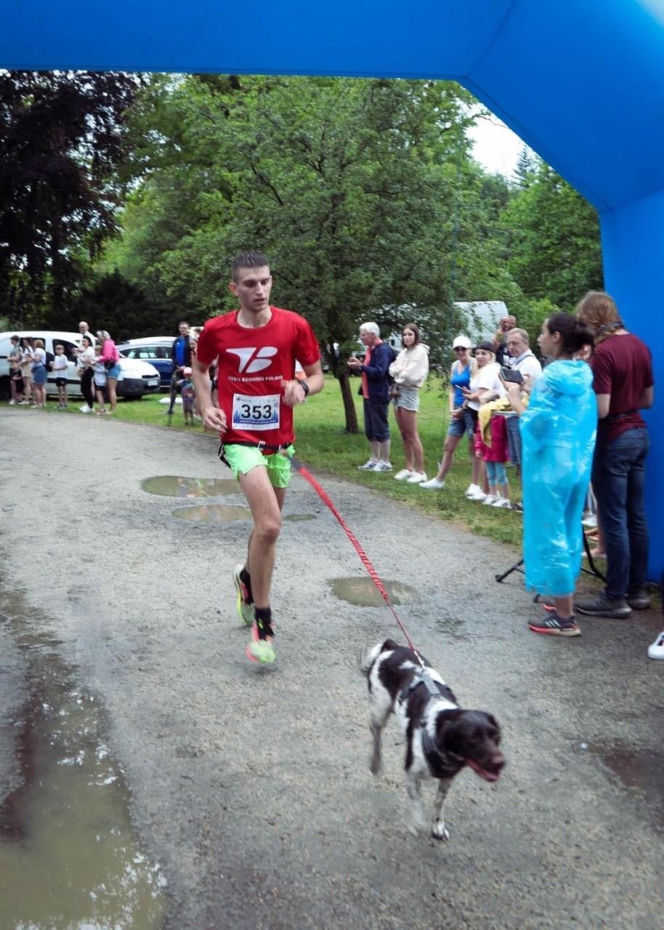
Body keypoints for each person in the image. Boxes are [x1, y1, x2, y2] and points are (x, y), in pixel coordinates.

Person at [193, 251, 324, 664]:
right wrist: (205, 404)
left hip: (280, 441)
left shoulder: (294, 325)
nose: (260, 289)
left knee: (266, 532)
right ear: (235, 289)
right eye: (250, 283)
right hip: (239, 437)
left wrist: (303, 389)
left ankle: (247, 579)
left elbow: (317, 374)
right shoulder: (217, 330)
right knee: (270, 524)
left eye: (265, 281)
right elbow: (200, 370)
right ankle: (263, 625)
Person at [505, 314, 597, 637]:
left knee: (551, 535)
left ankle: (565, 617)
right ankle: (563, 597)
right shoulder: (581, 373)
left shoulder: (550, 377)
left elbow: (535, 425)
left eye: (543, 332)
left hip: (549, 471)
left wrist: (516, 398)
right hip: (575, 466)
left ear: (556, 337)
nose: (540, 338)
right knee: (569, 530)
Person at [574, 291, 654, 619]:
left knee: (614, 518)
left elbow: (602, 409)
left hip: (615, 438)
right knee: (636, 515)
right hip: (639, 433)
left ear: (592, 320)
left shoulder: (604, 353)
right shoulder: (639, 345)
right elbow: (647, 399)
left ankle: (615, 596)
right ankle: (637, 591)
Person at [422, 340, 504, 495]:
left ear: (468, 349)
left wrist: (463, 407)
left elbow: (478, 392)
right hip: (460, 409)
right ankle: (439, 479)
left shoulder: (476, 365)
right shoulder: (455, 365)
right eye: (457, 349)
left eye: (463, 349)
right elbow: (453, 389)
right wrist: (452, 408)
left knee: (475, 447)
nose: (460, 352)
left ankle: (476, 485)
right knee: (448, 444)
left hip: (471, 410)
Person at [348, 322, 394, 472]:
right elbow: (368, 370)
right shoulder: (371, 350)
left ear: (373, 335)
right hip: (368, 394)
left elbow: (380, 372)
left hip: (379, 394)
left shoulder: (383, 351)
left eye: (363, 335)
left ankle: (385, 462)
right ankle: (374, 459)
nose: (361, 338)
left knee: (381, 427)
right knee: (371, 429)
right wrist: (359, 366)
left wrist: (361, 367)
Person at [389, 323, 429, 483]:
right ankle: (409, 467)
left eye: (410, 334)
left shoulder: (420, 352)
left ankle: (421, 471)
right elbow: (392, 368)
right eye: (404, 335)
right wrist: (399, 373)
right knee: (403, 433)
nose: (407, 337)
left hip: (410, 392)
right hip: (398, 391)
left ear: (416, 335)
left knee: (412, 433)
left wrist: (399, 373)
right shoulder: (404, 352)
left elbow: (411, 375)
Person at [503, 327, 543, 470]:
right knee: (519, 464)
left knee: (525, 464)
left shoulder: (529, 363)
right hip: (514, 414)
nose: (511, 347)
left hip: (522, 414)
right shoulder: (518, 361)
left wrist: (502, 378)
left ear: (526, 343)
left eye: (515, 343)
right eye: (509, 344)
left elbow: (516, 390)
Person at [474, 407, 511, 507]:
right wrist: (478, 448)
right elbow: (479, 433)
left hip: (499, 451)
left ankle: (506, 498)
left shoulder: (502, 418)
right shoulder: (482, 417)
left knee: (501, 475)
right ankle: (493, 494)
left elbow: (507, 436)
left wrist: (507, 451)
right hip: (487, 450)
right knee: (490, 474)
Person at [167, 321, 192, 416]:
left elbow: (192, 355)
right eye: (181, 328)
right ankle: (170, 408)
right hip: (177, 369)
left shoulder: (190, 340)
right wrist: (176, 365)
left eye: (185, 328)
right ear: (179, 329)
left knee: (187, 390)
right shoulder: (176, 340)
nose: (183, 330)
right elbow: (172, 354)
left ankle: (188, 410)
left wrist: (186, 366)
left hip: (187, 370)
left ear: (188, 329)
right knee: (173, 388)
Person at [96, 331, 121, 414]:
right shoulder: (109, 343)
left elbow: (107, 357)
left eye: (99, 336)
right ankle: (111, 408)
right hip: (113, 366)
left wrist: (98, 359)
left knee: (112, 389)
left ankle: (113, 409)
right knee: (110, 388)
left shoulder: (107, 344)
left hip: (113, 367)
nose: (98, 338)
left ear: (103, 337)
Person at [77, 335, 97, 412]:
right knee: (83, 388)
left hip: (89, 370)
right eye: (82, 341)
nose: (83, 343)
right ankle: (89, 404)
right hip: (84, 370)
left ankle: (90, 406)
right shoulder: (84, 350)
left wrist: (77, 354)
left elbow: (85, 360)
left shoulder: (90, 350)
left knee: (87, 388)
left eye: (85, 341)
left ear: (89, 342)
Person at [30, 338, 48, 408]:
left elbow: (36, 360)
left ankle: (38, 403)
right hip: (42, 368)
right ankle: (43, 403)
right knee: (42, 387)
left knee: (36, 387)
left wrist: (31, 357)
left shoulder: (38, 350)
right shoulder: (43, 351)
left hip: (38, 369)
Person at [52, 343, 69, 408]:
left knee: (63, 389)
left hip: (63, 375)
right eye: (57, 349)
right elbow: (54, 365)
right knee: (59, 389)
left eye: (60, 349)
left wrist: (57, 368)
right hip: (57, 376)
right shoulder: (55, 357)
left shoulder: (64, 357)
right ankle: (60, 403)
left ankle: (65, 403)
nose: (59, 351)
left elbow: (66, 366)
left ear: (63, 350)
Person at [8, 335, 24, 405]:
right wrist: (11, 358)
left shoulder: (18, 348)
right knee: (12, 383)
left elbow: (17, 358)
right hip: (11, 366)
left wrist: (9, 358)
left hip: (16, 367)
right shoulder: (13, 348)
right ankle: (14, 398)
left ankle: (15, 398)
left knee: (15, 383)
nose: (11, 341)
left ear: (15, 340)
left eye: (12, 340)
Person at [20, 338, 34, 405]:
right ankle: (33, 399)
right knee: (29, 383)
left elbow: (29, 359)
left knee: (27, 383)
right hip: (25, 366)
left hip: (27, 366)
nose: (24, 342)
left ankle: (26, 400)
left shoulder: (28, 348)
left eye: (25, 341)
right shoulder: (26, 348)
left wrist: (22, 363)